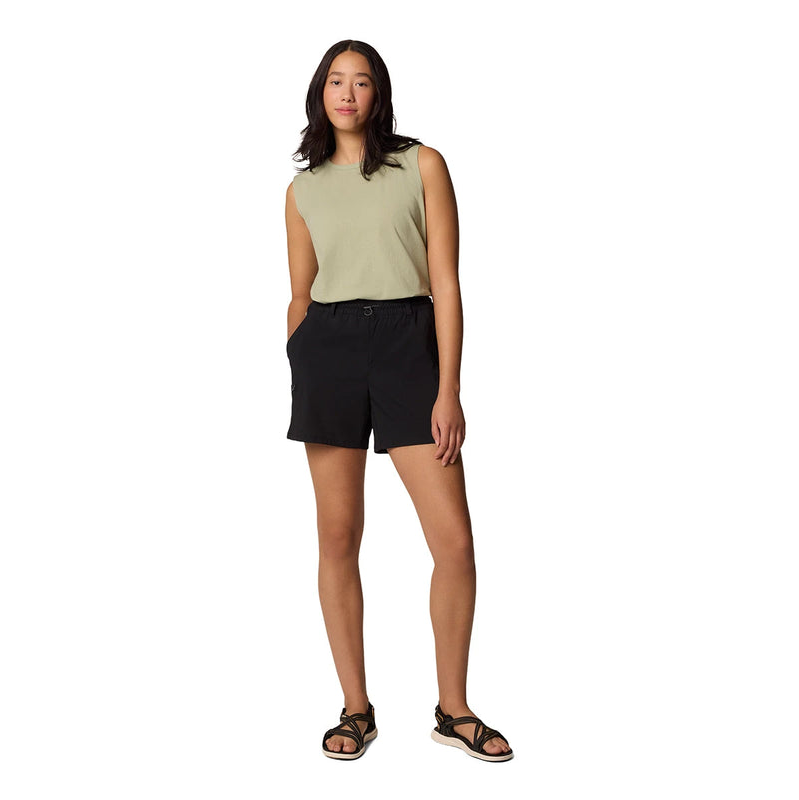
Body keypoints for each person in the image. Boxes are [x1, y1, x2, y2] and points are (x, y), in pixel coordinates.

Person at [284, 39, 513, 763]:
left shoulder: (422, 164)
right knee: (337, 536)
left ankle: (454, 709)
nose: (347, 93)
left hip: (409, 343)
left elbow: (445, 281)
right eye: (336, 81)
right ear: (320, 92)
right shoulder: (302, 189)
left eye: (361, 82)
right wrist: (300, 360)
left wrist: (449, 388)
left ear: (378, 94)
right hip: (328, 348)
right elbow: (298, 292)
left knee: (454, 542)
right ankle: (356, 708)